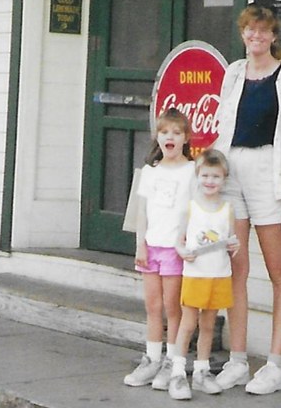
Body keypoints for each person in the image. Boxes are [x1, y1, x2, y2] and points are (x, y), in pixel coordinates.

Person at [212, 4, 281, 395]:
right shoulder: (233, 73)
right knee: (235, 266)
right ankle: (238, 359)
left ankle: (275, 364)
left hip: (270, 172)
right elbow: (223, 126)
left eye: (262, 32)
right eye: (249, 31)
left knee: (278, 272)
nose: (255, 38)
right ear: (243, 34)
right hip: (232, 169)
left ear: (273, 36)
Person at [124, 107, 195, 390]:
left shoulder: (191, 171)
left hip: (174, 249)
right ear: (157, 136)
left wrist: (185, 240)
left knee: (172, 307)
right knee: (152, 306)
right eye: (165, 132)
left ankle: (171, 362)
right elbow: (142, 212)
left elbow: (193, 210)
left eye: (177, 133)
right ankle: (151, 359)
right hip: (151, 247)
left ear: (186, 138)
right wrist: (139, 243)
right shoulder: (151, 173)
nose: (170, 137)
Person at [168, 148, 239, 401]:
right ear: (198, 176)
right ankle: (177, 373)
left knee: (209, 325)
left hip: (219, 274)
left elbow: (231, 240)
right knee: (189, 324)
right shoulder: (190, 208)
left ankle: (201, 371)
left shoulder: (227, 209)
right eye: (205, 175)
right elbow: (178, 241)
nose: (210, 181)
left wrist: (234, 245)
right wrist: (182, 251)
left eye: (216, 177)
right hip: (195, 275)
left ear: (224, 178)